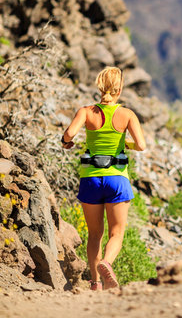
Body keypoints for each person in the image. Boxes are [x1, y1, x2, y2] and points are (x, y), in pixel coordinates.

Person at [61, 67, 146, 290]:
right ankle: (107, 263)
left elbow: (69, 135)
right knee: (116, 233)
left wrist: (66, 140)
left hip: (91, 179)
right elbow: (141, 145)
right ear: (120, 89)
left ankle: (95, 283)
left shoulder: (86, 112)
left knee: (94, 234)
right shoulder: (127, 115)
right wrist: (124, 144)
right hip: (116, 179)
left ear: (100, 87)